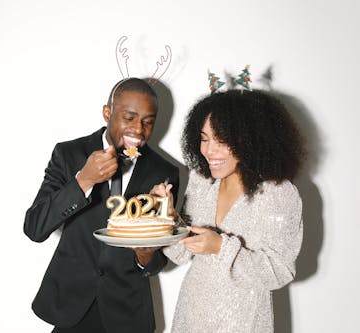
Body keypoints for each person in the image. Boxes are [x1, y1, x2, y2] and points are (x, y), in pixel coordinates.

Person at [24, 77, 180, 333]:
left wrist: (146, 254)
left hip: (127, 313)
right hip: (70, 307)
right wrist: (83, 180)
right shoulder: (68, 154)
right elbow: (34, 227)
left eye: (147, 122)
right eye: (129, 118)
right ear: (107, 113)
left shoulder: (164, 172)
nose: (139, 130)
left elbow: (156, 263)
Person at [152, 89, 305, 332]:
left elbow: (279, 271)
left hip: (243, 321)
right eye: (204, 138)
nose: (209, 151)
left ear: (251, 139)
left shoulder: (279, 193)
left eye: (221, 140)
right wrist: (167, 215)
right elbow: (180, 254)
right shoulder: (203, 181)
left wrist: (221, 248)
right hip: (192, 315)